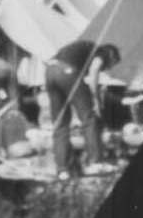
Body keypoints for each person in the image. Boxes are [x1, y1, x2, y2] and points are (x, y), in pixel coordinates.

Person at [46, 39, 121, 179]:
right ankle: (95, 162)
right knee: (89, 118)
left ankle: (62, 169)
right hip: (67, 71)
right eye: (111, 64)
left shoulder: (82, 49)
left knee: (60, 123)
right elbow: (95, 70)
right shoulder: (101, 52)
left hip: (50, 71)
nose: (108, 68)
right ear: (111, 55)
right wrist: (96, 99)